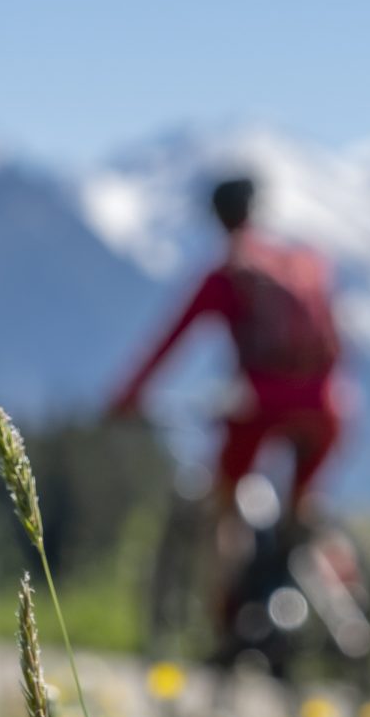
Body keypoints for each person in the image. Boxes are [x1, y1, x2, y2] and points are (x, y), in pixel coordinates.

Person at [104, 174, 347, 520]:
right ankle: (320, 559)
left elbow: (168, 342)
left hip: (260, 404)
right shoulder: (302, 262)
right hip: (327, 404)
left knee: (224, 507)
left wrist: (127, 397)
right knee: (302, 511)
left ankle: (222, 569)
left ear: (218, 217)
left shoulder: (226, 276)